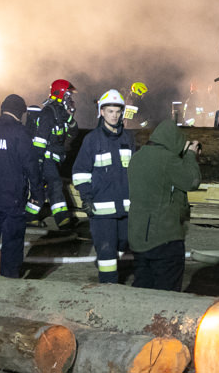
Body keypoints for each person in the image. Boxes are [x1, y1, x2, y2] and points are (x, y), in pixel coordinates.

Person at [0, 95, 43, 277]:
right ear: (21, 112)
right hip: (13, 201)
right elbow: (31, 166)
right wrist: (37, 193)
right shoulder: (20, 133)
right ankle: (9, 285)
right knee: (12, 244)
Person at [128, 119, 201, 291]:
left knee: (143, 286)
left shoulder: (137, 157)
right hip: (164, 238)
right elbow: (192, 181)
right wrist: (190, 155)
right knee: (167, 292)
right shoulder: (167, 159)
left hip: (139, 236)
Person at [71, 89, 135, 283]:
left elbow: (135, 171)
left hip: (126, 209)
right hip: (101, 210)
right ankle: (108, 291)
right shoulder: (92, 140)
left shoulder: (128, 139)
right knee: (107, 252)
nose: (114, 115)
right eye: (110, 111)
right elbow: (80, 171)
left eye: (117, 111)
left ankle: (110, 270)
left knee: (123, 244)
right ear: (101, 112)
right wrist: (86, 198)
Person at [30, 79, 79, 228]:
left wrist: (69, 118)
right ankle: (62, 220)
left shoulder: (62, 114)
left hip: (55, 158)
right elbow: (40, 138)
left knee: (41, 191)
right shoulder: (48, 112)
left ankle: (28, 217)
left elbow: (74, 132)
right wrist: (38, 160)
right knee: (55, 184)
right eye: (68, 95)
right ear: (61, 94)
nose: (70, 99)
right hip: (45, 158)